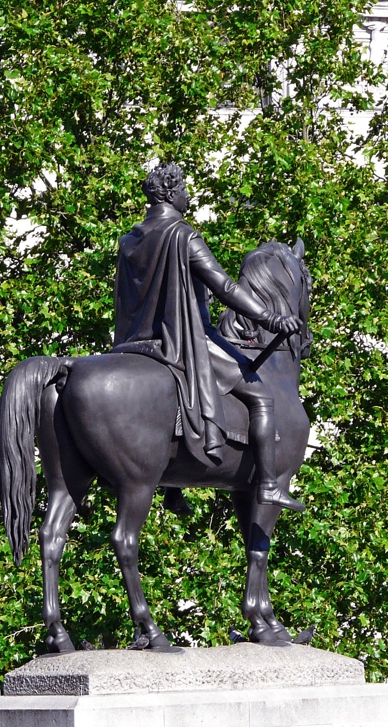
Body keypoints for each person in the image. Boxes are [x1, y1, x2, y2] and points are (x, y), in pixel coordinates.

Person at [113, 161, 304, 511]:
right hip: (183, 339)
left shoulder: (129, 240)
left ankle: (173, 487)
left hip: (135, 344)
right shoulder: (182, 235)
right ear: (171, 193)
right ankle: (266, 484)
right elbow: (226, 287)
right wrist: (271, 318)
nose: (188, 196)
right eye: (184, 189)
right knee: (260, 396)